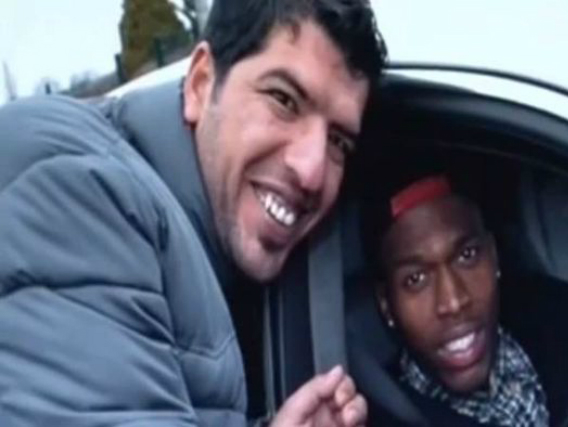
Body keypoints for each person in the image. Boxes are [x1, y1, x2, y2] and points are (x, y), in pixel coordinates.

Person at [0, 1, 387, 426]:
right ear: (201, 83)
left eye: (338, 142)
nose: (312, 171)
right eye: (283, 100)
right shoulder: (81, 191)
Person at [361, 157, 568, 427]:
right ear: (386, 304)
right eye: (416, 279)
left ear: (493, 256)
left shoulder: (562, 320)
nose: (453, 301)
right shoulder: (383, 417)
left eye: (467, 255)